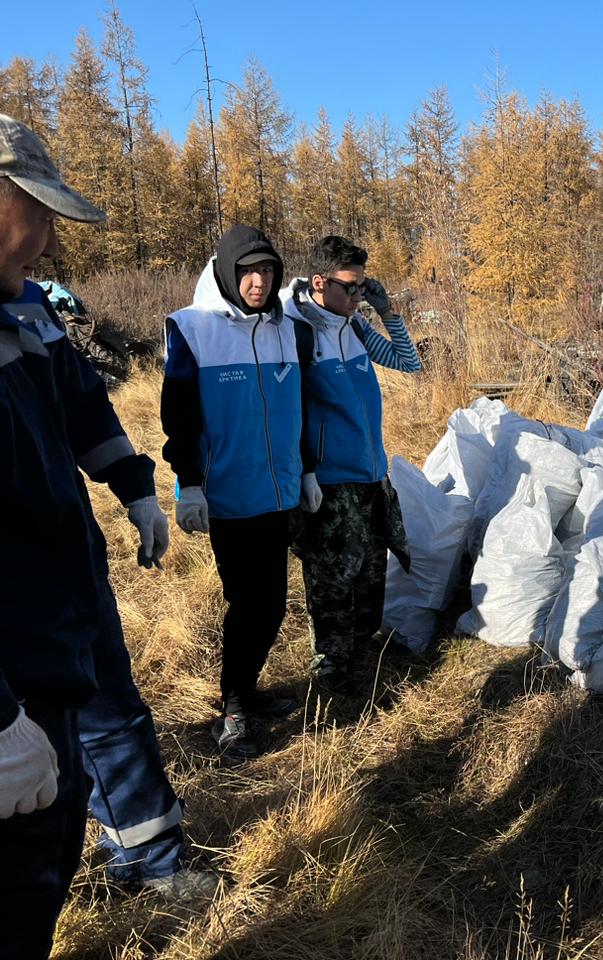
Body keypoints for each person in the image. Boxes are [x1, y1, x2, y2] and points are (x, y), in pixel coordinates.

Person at [0, 112, 206, 960]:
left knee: (110, 715)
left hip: (66, 587)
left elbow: (84, 407)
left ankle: (146, 854)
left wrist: (135, 491)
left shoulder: (31, 313)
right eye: (36, 213)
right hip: (10, 646)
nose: (48, 243)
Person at [161, 224, 303, 760]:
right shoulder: (193, 330)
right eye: (247, 271)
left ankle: (247, 690)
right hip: (227, 493)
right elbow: (179, 417)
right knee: (250, 604)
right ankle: (233, 709)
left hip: (279, 491)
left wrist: (305, 474)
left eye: (267, 270)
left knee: (270, 605)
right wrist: (189, 484)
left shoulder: (285, 329)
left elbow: (298, 409)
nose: (258, 282)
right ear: (226, 271)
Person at [282, 235, 417, 692]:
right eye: (351, 287)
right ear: (319, 282)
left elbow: (408, 362)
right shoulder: (298, 331)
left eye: (363, 287)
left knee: (371, 573)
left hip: (371, 473)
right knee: (331, 579)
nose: (358, 295)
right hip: (329, 480)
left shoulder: (354, 327)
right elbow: (289, 410)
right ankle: (331, 670)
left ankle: (362, 655)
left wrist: (388, 312)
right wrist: (304, 473)